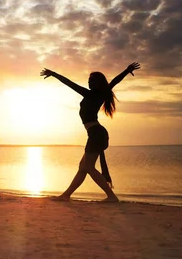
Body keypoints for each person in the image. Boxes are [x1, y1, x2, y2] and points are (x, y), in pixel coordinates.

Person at [40, 62, 140, 202]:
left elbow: (111, 82)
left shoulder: (96, 94)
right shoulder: (93, 94)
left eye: (92, 80)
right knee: (83, 168)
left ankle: (111, 197)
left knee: (88, 167)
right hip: (95, 134)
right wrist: (54, 74)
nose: (89, 82)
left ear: (99, 83)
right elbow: (72, 84)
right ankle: (66, 195)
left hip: (96, 134)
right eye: (88, 80)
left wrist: (126, 71)